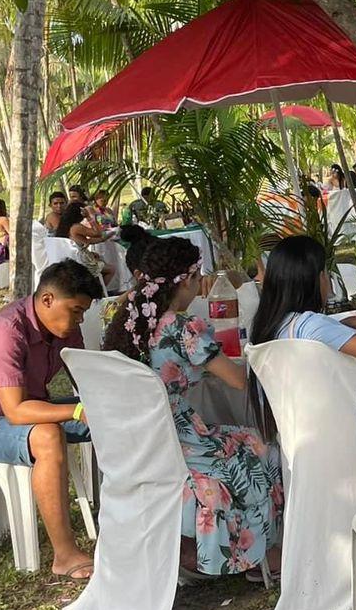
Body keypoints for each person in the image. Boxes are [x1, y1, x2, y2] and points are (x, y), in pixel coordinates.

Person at [102, 235, 284, 579]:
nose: (200, 284)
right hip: (182, 441)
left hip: (137, 442)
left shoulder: (127, 321)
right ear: (184, 280)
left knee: (239, 437)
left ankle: (202, 549)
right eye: (198, 275)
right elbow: (237, 381)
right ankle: (260, 555)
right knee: (259, 445)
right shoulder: (183, 329)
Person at [0, 260, 103, 580]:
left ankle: (125, 516)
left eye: (84, 312)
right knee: (48, 435)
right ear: (47, 300)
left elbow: (86, 382)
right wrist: (77, 411)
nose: (80, 319)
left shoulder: (63, 328)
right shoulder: (7, 331)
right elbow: (16, 411)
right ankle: (64, 555)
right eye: (75, 310)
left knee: (114, 414)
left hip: (27, 411)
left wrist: (104, 402)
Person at [250, 235, 356, 363]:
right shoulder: (310, 324)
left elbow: (311, 335)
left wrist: (341, 326)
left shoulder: (269, 323)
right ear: (316, 278)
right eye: (325, 272)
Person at [54, 201, 118, 289]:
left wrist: (104, 238)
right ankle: (98, 291)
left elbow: (86, 241)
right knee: (111, 269)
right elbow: (97, 233)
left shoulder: (65, 227)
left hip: (74, 258)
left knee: (98, 258)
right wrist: (89, 217)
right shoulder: (76, 227)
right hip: (82, 261)